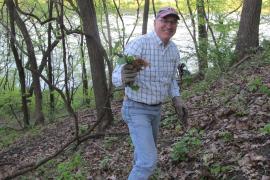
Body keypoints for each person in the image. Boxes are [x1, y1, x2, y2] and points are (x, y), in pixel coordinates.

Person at [112, 7, 188, 180]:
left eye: (173, 22)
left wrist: (177, 99)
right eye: (164, 21)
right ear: (155, 22)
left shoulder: (174, 50)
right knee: (148, 161)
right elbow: (116, 75)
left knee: (142, 157)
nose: (169, 26)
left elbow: (170, 80)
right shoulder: (140, 44)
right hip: (135, 108)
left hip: (156, 111)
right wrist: (123, 76)